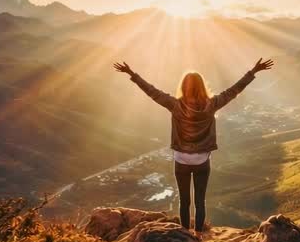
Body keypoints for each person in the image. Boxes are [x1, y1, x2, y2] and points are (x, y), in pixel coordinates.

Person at [114, 58, 274, 232]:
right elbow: (234, 90)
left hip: (181, 159)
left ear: (183, 86)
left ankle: (185, 234)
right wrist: (253, 72)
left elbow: (151, 91)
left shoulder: (174, 105)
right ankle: (198, 234)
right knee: (200, 201)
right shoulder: (212, 104)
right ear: (202, 86)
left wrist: (132, 74)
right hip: (202, 160)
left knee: (184, 201)